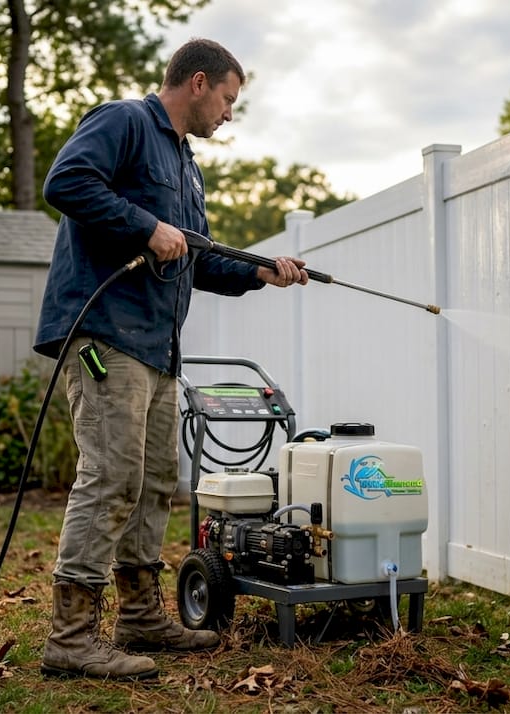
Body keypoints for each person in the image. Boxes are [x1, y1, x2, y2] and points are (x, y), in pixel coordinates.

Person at [32, 38, 309, 680]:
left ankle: (139, 616)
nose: (230, 114)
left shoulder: (187, 168)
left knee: (157, 481)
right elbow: (66, 182)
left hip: (158, 349)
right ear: (199, 82)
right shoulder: (124, 121)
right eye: (229, 100)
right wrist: (144, 227)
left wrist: (260, 271)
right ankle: (70, 637)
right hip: (105, 335)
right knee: (111, 477)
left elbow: (198, 256)